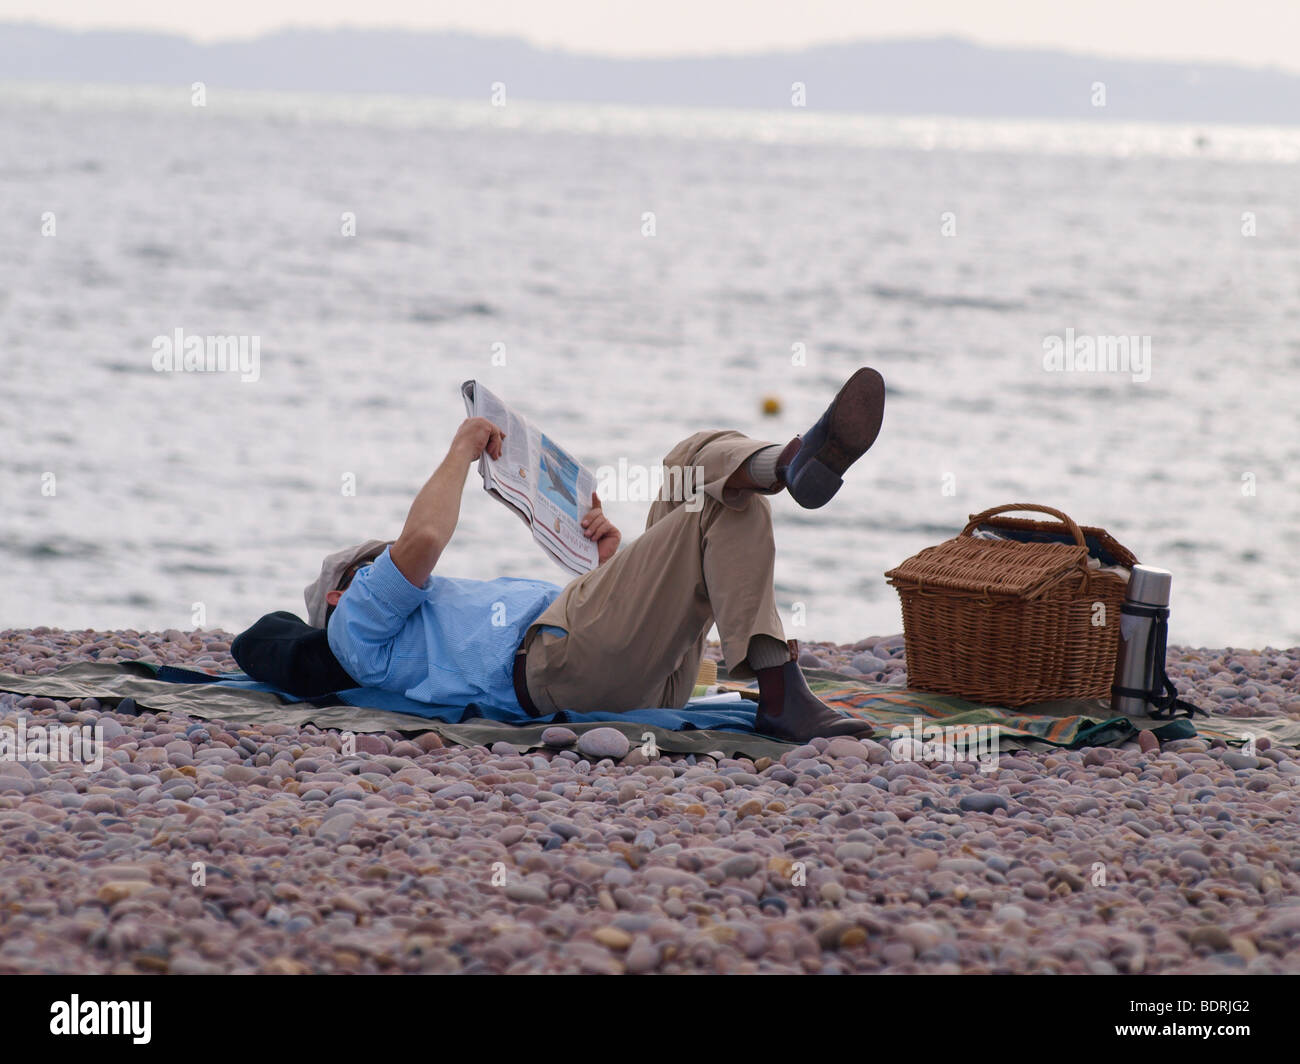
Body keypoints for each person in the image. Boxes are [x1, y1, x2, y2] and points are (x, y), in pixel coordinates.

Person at [232, 368, 886, 741]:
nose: (392, 565)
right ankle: (778, 685)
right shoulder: (355, 624)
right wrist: (461, 449)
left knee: (693, 465)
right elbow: (424, 541)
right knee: (722, 503)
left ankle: (788, 464)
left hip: (624, 670)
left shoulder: (415, 619)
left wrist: (608, 559)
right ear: (344, 593)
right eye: (373, 563)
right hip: (556, 665)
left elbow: (609, 640)